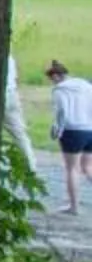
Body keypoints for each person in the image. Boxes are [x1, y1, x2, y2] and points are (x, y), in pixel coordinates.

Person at [51, 60, 92, 214]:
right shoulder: (86, 86)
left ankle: (74, 206)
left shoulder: (59, 90)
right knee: (88, 167)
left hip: (72, 131)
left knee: (72, 169)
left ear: (56, 76)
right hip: (90, 129)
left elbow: (62, 112)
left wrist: (57, 130)